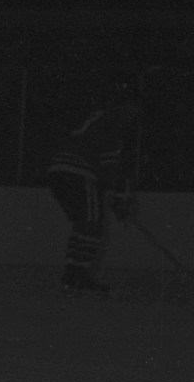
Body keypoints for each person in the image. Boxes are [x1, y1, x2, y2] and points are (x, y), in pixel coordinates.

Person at [46, 85, 141, 295]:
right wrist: (119, 201)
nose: (134, 116)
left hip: (60, 171)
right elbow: (109, 170)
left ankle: (73, 276)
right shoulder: (113, 123)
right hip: (77, 172)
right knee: (92, 225)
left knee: (86, 224)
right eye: (133, 109)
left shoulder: (98, 118)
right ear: (124, 106)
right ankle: (76, 277)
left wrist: (117, 199)